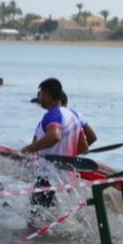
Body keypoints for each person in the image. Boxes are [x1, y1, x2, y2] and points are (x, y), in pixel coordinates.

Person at [21, 78, 84, 208]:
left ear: (49, 95)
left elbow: (54, 136)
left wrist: (29, 149)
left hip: (48, 180)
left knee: (33, 222)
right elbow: (84, 146)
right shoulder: (73, 116)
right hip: (68, 180)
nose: (40, 97)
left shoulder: (52, 115)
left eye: (42, 93)